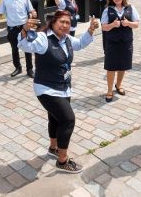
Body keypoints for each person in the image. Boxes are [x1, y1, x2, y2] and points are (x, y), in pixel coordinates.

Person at [18, 10, 99, 173]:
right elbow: (24, 45)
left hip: (63, 87)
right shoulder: (43, 39)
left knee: (55, 118)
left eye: (68, 23)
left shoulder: (67, 39)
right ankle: (62, 161)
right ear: (53, 22)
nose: (65, 25)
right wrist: (25, 30)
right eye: (61, 22)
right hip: (46, 88)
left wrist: (90, 30)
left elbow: (81, 43)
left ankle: (53, 148)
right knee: (68, 119)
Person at [101, 0, 139, 102]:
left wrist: (128, 23)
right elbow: (104, 27)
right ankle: (109, 90)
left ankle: (118, 85)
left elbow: (137, 24)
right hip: (112, 43)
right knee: (111, 67)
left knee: (123, 65)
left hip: (126, 42)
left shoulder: (130, 8)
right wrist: (112, 25)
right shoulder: (108, 10)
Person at [0, 0, 37, 78]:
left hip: (24, 28)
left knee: (27, 48)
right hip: (12, 29)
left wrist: (32, 15)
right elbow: (0, 14)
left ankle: (30, 69)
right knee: (14, 49)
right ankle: (18, 68)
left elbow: (32, 11)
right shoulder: (5, 0)